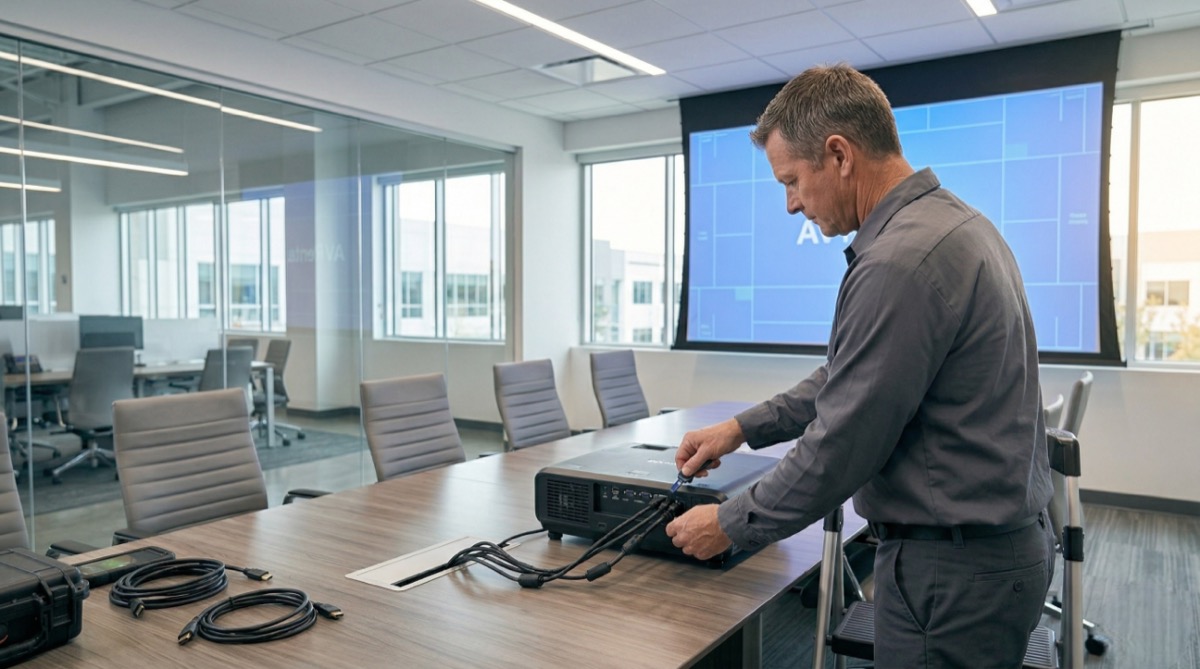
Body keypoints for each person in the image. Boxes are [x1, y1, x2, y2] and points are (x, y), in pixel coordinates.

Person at [664, 64, 1055, 668]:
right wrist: (741, 429)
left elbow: (842, 442)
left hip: (950, 577)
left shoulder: (900, 260)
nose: (791, 205)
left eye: (792, 181)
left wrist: (731, 523)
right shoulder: (956, 225)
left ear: (839, 155)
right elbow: (851, 374)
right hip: (986, 561)